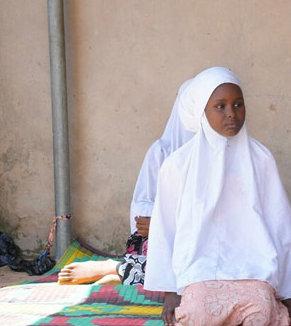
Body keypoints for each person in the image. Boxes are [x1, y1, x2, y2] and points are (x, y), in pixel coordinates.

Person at [143, 66, 291, 326]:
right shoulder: (178, 165)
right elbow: (166, 228)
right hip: (199, 270)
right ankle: (220, 312)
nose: (231, 113)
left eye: (238, 104)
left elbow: (281, 224)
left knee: (261, 317)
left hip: (252, 268)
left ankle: (247, 309)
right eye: (219, 106)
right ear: (202, 112)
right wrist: (170, 291)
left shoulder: (261, 159)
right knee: (196, 321)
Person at [57, 79, 194, 285]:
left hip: (199, 244)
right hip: (166, 242)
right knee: (173, 270)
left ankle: (122, 271)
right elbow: (142, 208)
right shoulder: (162, 152)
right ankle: (117, 268)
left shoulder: (231, 158)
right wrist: (159, 224)